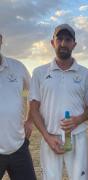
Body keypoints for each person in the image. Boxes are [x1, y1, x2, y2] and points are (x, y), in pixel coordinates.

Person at [29, 24, 88, 180]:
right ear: (52, 42)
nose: (63, 43)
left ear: (74, 44)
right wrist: (46, 136)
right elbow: (34, 109)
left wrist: (78, 119)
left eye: (68, 39)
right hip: (50, 137)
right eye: (59, 39)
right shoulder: (39, 73)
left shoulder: (86, 75)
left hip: (77, 137)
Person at [0, 34, 36, 179]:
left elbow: (32, 94)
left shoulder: (17, 68)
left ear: (1, 40)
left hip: (18, 146)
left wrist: (30, 120)